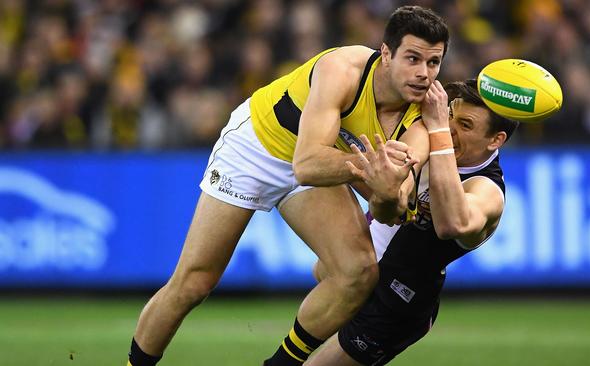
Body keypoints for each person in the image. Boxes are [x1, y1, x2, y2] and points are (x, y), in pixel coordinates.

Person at [127, 6, 449, 366]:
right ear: (386, 54)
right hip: (257, 147)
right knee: (194, 282)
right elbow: (307, 164)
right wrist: (372, 169)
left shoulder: (423, 118)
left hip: (328, 164)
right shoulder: (342, 70)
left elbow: (390, 208)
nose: (423, 73)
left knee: (357, 272)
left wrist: (390, 194)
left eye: (433, 63)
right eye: (413, 58)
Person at [304, 79, 519, 365]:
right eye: (451, 116)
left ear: (496, 140)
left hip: (394, 306)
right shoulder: (430, 135)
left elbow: (451, 225)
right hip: (357, 273)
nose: (452, 129)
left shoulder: (487, 190)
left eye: (465, 125)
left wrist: (439, 129)